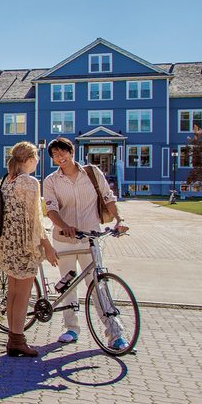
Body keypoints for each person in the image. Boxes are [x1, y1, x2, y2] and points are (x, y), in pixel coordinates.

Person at [43, 137, 129, 350]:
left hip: (90, 238)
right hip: (65, 239)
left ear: (71, 152)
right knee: (68, 284)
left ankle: (115, 333)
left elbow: (108, 198)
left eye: (62, 153)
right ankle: (71, 328)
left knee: (98, 284)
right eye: (55, 155)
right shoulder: (51, 181)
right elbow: (51, 210)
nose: (59, 158)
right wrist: (64, 225)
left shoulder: (91, 173)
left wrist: (119, 220)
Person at [0, 141, 59, 357]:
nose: (38, 163)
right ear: (29, 160)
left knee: (13, 293)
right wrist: (47, 245)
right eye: (37, 159)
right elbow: (35, 220)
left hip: (8, 244)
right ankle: (18, 340)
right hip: (24, 246)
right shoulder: (29, 183)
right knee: (22, 295)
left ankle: (13, 338)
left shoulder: (7, 182)